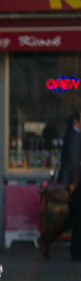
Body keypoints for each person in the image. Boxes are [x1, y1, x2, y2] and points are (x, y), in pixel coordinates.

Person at [39, 110, 81, 260]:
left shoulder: (71, 135)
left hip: (71, 182)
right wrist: (75, 183)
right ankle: (74, 252)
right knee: (76, 219)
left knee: (74, 218)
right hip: (74, 184)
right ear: (76, 121)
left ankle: (48, 239)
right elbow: (74, 162)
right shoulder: (75, 136)